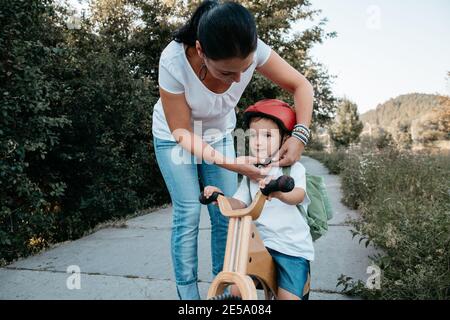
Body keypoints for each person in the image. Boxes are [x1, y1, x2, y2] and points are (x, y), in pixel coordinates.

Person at [152, 0, 314, 300]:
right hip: (174, 136)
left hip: (218, 134)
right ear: (201, 50)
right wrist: (231, 164)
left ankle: (225, 292)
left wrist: (300, 136)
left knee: (227, 216)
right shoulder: (173, 61)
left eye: (245, 68)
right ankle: (190, 299)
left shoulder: (255, 49)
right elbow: (181, 131)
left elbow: (302, 85)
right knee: (188, 213)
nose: (238, 80)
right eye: (227, 72)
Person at [203, 99, 313, 300]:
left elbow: (298, 195)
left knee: (288, 298)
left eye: (268, 135)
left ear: (285, 138)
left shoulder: (292, 169)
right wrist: (220, 198)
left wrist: (279, 192)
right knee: (238, 289)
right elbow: (240, 204)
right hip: (260, 245)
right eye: (254, 135)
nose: (259, 141)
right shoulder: (252, 173)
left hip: (291, 247)